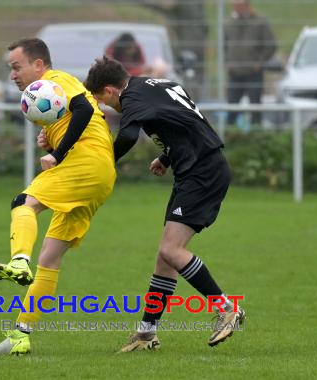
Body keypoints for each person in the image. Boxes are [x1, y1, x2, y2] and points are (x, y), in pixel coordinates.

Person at [84, 56, 245, 352]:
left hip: (202, 172)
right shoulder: (154, 84)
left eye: (103, 102)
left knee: (171, 250)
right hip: (197, 168)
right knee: (166, 257)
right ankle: (146, 333)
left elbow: (129, 135)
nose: (107, 107)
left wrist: (102, 163)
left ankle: (227, 309)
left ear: (109, 90)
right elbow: (186, 119)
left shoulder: (131, 97)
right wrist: (168, 157)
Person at [0, 38, 116, 356]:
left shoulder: (55, 80)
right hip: (100, 175)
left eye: (16, 66)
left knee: (23, 203)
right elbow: (90, 120)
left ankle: (18, 262)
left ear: (38, 65)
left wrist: (58, 153)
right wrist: (52, 143)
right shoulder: (46, 96)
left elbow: (81, 109)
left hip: (84, 163)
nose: (12, 74)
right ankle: (20, 336)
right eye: (9, 68)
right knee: (50, 260)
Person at [224, 0, 277, 125]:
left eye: (239, 5)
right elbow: (223, 45)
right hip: (234, 73)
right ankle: (230, 136)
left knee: (255, 108)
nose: (236, 8)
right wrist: (227, 62)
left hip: (254, 73)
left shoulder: (260, 21)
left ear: (247, 5)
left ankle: (255, 137)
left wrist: (259, 62)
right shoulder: (228, 23)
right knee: (232, 108)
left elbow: (271, 45)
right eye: (234, 5)